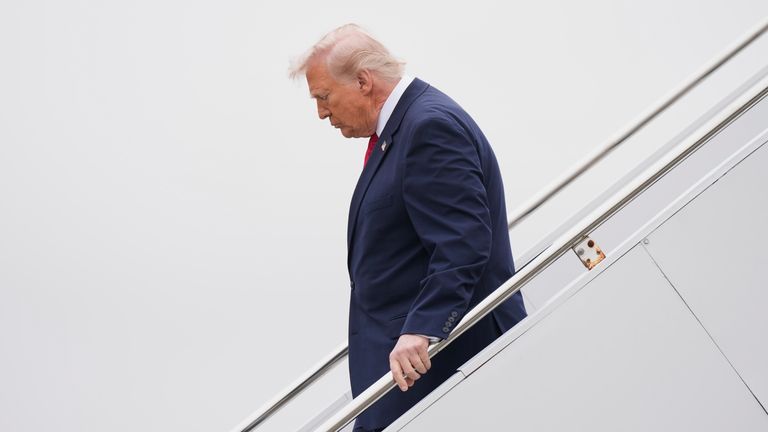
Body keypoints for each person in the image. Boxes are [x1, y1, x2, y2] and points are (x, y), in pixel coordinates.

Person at [290, 24, 527, 432]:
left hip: (443, 365)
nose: (321, 113)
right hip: (409, 371)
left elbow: (464, 243)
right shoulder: (404, 130)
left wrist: (423, 327)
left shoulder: (427, 127)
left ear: (363, 81)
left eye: (324, 97)